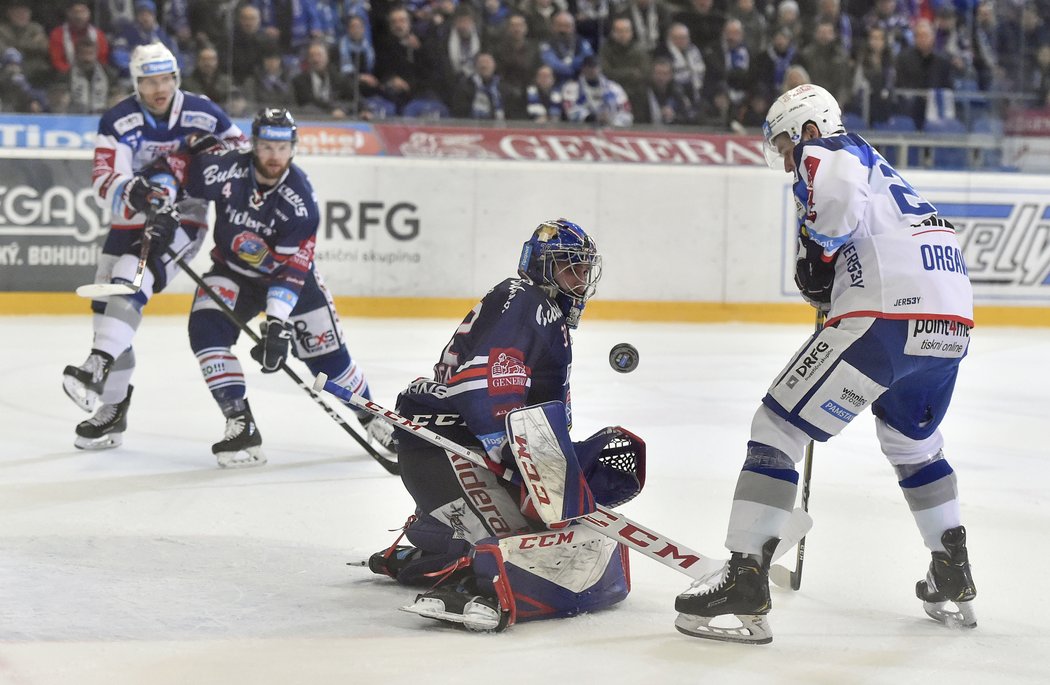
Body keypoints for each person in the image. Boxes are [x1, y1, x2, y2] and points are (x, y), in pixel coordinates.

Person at [674, 84, 977, 644]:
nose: (789, 158)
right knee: (914, 446)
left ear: (809, 128)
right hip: (950, 325)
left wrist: (819, 252)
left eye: (787, 143)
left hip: (887, 316)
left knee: (777, 426)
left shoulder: (831, 149)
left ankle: (744, 574)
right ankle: (951, 566)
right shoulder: (889, 174)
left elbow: (834, 207)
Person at [367, 219, 646, 632]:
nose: (580, 280)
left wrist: (557, 469)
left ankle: (431, 539)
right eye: (570, 267)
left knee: (552, 522)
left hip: (452, 451)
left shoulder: (542, 311)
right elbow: (484, 384)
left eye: (585, 270)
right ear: (541, 266)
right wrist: (513, 456)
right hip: (451, 452)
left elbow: (536, 412)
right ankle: (466, 582)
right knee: (526, 543)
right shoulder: (527, 301)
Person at [179, 108, 394, 468]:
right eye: (266, 147)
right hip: (232, 273)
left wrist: (276, 324)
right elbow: (184, 179)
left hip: (291, 282)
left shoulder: (301, 202)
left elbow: (292, 271)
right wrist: (157, 202)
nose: (274, 156)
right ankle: (240, 421)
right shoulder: (225, 168)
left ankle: (372, 417)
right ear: (253, 145)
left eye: (281, 148)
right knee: (205, 331)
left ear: (293, 148)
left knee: (328, 361)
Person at [62, 42, 246, 451]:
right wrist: (137, 191)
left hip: (185, 218)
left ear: (176, 79)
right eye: (148, 80)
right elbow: (104, 177)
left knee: (132, 277)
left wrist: (209, 160)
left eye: (165, 78)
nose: (158, 87)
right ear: (137, 83)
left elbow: (241, 156)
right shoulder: (119, 119)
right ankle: (113, 411)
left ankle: (95, 364)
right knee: (109, 318)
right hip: (130, 219)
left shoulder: (203, 112)